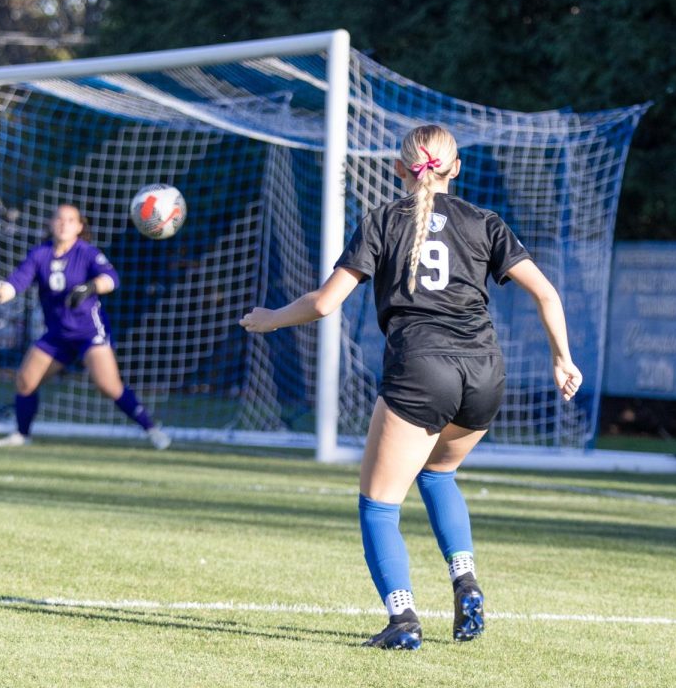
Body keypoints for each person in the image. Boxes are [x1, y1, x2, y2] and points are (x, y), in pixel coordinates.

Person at [240, 124, 581, 650]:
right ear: (456, 168)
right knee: (438, 473)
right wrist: (562, 358)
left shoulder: (382, 221)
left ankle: (403, 620)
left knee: (378, 505)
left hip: (422, 369)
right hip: (485, 372)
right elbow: (546, 293)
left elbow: (326, 303)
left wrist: (270, 319)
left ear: (399, 169)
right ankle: (465, 580)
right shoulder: (485, 221)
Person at [0, 203, 171, 450]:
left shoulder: (87, 253)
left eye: (70, 220)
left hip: (89, 332)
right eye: (59, 218)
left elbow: (112, 279)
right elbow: (15, 283)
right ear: (51, 223)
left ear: (80, 227)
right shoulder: (40, 254)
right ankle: (21, 434)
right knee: (26, 381)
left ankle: (151, 429)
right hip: (57, 335)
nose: (63, 224)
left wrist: (90, 287)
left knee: (108, 386)